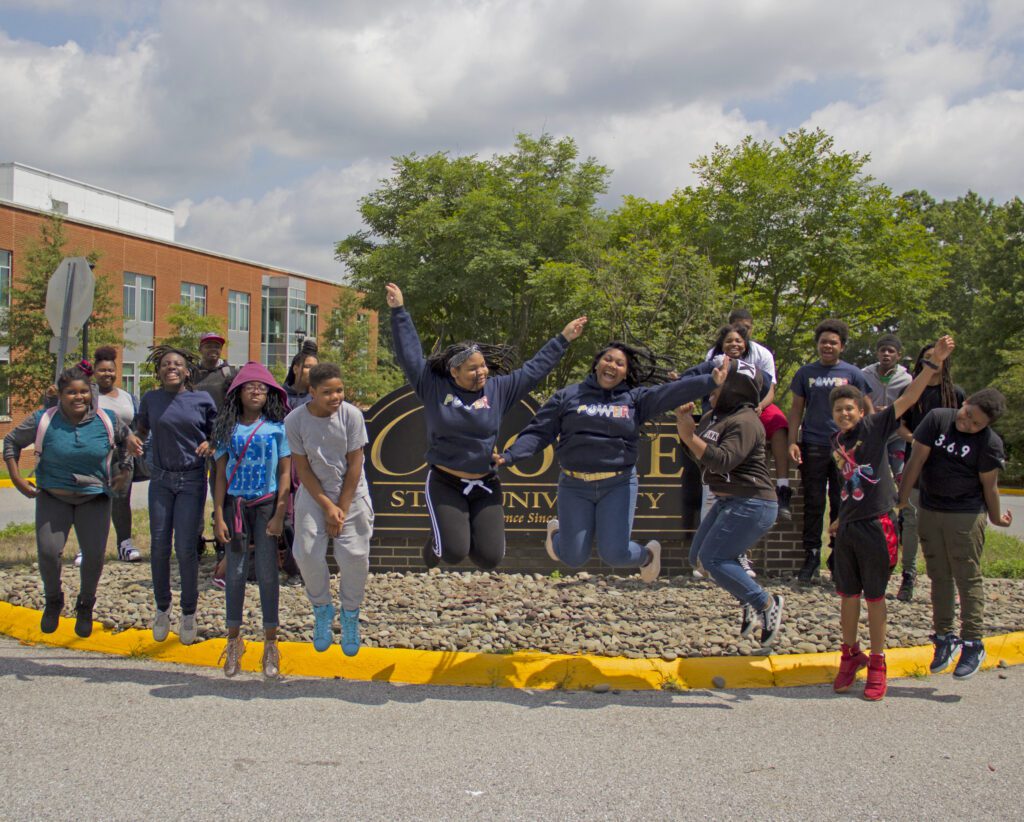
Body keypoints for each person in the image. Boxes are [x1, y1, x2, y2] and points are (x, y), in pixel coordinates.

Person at [386, 282, 587, 570]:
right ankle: (437, 541)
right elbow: (409, 354)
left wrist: (563, 339)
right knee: (453, 553)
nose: (481, 372)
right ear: (454, 371)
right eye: (472, 369)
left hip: (485, 482)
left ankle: (456, 530)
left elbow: (533, 370)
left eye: (483, 366)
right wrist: (399, 311)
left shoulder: (498, 390)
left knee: (490, 559)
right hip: (446, 481)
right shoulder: (433, 387)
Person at [496, 343, 725, 581]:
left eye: (619, 363)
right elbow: (538, 432)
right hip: (574, 485)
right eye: (608, 359)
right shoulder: (567, 396)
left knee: (615, 554)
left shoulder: (635, 400)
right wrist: (510, 455)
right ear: (597, 363)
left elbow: (671, 392)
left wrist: (711, 378)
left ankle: (647, 555)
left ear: (625, 372)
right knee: (573, 557)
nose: (612, 366)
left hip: (618, 484)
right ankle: (556, 535)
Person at [829, 335, 954, 701]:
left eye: (850, 409)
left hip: (877, 525)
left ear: (862, 411)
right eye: (839, 410)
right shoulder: (835, 441)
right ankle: (850, 654)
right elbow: (845, 484)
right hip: (849, 526)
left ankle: (879, 662)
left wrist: (934, 363)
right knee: (847, 596)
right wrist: (837, 520)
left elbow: (910, 397)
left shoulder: (876, 427)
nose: (845, 414)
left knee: (874, 598)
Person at [4, 365, 140, 637]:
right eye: (71, 393)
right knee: (47, 551)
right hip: (54, 497)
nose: (78, 398)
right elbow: (11, 442)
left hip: (95, 499)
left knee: (93, 556)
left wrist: (124, 472)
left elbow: (128, 443)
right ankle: (54, 599)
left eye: (83, 392)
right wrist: (18, 479)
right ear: (60, 395)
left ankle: (86, 604)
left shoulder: (107, 419)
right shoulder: (44, 419)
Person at [897, 387, 1011, 680]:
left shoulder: (989, 443)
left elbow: (990, 486)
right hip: (931, 507)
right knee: (938, 574)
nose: (968, 424)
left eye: (976, 424)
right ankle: (944, 636)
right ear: (965, 402)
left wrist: (997, 516)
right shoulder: (937, 419)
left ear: (986, 426)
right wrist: (900, 499)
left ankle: (973, 642)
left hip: (965, 513)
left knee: (966, 574)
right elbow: (916, 461)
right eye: (968, 415)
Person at [674, 361, 784, 646]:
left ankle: (766, 603)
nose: (712, 386)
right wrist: (685, 425)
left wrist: (689, 435)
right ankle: (748, 596)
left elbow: (723, 459)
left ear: (735, 388)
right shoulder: (714, 415)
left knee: (714, 559)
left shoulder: (746, 421)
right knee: (698, 558)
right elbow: (699, 454)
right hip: (729, 499)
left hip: (753, 502)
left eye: (719, 381)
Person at [285, 363, 373, 656]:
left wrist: (341, 509)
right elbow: (303, 469)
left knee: (355, 556)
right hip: (315, 493)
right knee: (307, 551)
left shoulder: (351, 416)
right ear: (311, 392)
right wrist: (326, 506)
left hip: (351, 492)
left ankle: (349, 614)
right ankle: (322, 609)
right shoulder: (295, 421)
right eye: (327, 392)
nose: (335, 397)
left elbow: (356, 464)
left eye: (339, 390)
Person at [212, 363, 291, 679]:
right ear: (237, 393)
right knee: (236, 573)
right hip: (235, 507)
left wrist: (280, 513)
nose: (257, 391)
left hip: (266, 505)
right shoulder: (226, 429)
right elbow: (219, 475)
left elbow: (285, 473)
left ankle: (271, 644)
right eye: (250, 386)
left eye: (262, 387)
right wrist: (218, 516)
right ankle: (234, 642)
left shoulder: (278, 429)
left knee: (268, 574)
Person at [135, 346, 217, 645]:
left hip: (192, 480)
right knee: (158, 547)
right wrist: (134, 440)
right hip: (160, 479)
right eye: (166, 364)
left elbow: (217, 432)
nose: (171, 367)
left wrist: (210, 443)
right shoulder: (151, 399)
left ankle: (188, 613)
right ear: (159, 371)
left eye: (177, 364)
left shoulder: (202, 400)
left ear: (187, 371)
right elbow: (141, 430)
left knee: (185, 549)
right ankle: (162, 608)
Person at [787, 319, 873, 582]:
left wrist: (865, 443)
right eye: (823, 341)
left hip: (845, 449)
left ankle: (839, 556)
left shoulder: (854, 374)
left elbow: (868, 411)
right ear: (817, 345)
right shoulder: (805, 373)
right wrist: (792, 440)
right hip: (813, 445)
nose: (827, 346)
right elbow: (796, 410)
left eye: (833, 342)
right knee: (813, 503)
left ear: (842, 346)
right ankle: (811, 555)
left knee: (842, 502)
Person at [892, 344, 965, 602]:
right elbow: (900, 426)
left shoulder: (955, 394)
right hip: (916, 466)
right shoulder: (911, 392)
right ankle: (908, 577)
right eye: (926, 359)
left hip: (948, 468)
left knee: (945, 524)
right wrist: (915, 440)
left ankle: (946, 580)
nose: (931, 362)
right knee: (911, 522)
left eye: (936, 358)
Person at [706, 309, 793, 520]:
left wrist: (760, 407)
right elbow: (710, 386)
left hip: (757, 404)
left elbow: (770, 389)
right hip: (726, 405)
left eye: (746, 328)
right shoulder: (715, 354)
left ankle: (782, 487)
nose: (741, 333)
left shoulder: (762, 354)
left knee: (779, 422)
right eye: (737, 327)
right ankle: (713, 483)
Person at [193, 331, 237, 582]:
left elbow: (233, 407)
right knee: (194, 493)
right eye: (209, 345)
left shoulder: (228, 374)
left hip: (222, 441)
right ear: (201, 348)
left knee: (221, 492)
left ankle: (222, 539)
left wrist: (218, 438)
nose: (213, 350)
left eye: (217, 346)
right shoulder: (192, 374)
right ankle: (195, 540)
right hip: (194, 441)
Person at [92, 346, 142, 565]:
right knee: (92, 500)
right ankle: (89, 546)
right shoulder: (88, 394)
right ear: (94, 372)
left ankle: (124, 544)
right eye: (102, 370)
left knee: (122, 500)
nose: (107, 374)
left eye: (110, 370)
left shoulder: (127, 397)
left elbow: (139, 424)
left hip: (123, 456)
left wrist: (136, 442)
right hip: (95, 454)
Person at [861, 333, 912, 480]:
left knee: (900, 472)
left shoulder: (906, 379)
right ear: (877, 353)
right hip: (872, 433)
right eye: (882, 350)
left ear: (899, 355)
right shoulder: (864, 375)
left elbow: (910, 406)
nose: (886, 354)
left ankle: (904, 502)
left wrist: (891, 412)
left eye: (891, 351)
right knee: (870, 474)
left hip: (896, 434)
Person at [284, 339, 320, 409]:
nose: (313, 371)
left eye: (316, 368)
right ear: (295, 369)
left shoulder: (319, 396)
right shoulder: (281, 396)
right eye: (308, 367)